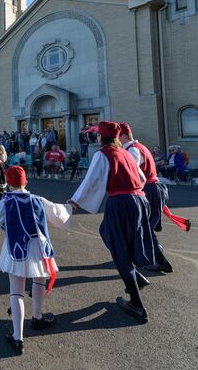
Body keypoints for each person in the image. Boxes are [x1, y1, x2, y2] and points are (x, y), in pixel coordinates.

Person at [0, 166, 71, 354]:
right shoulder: (37, 199)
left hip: (15, 250)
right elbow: (58, 214)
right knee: (39, 280)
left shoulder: (6, 201)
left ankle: (18, 337)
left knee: (16, 291)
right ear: (26, 181)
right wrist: (72, 206)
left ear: (7, 183)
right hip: (39, 248)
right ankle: (37, 317)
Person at [68, 122, 153, 323]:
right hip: (139, 200)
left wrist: (75, 201)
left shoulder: (102, 153)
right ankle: (135, 277)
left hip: (121, 202)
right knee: (109, 232)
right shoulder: (126, 152)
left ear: (101, 138)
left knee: (118, 246)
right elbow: (141, 178)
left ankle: (137, 304)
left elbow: (91, 180)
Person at [119, 123, 185, 274]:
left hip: (149, 189)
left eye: (117, 137)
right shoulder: (138, 146)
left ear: (122, 136)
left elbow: (131, 171)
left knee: (144, 228)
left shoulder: (132, 150)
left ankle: (159, 260)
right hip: (153, 188)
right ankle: (148, 254)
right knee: (144, 226)